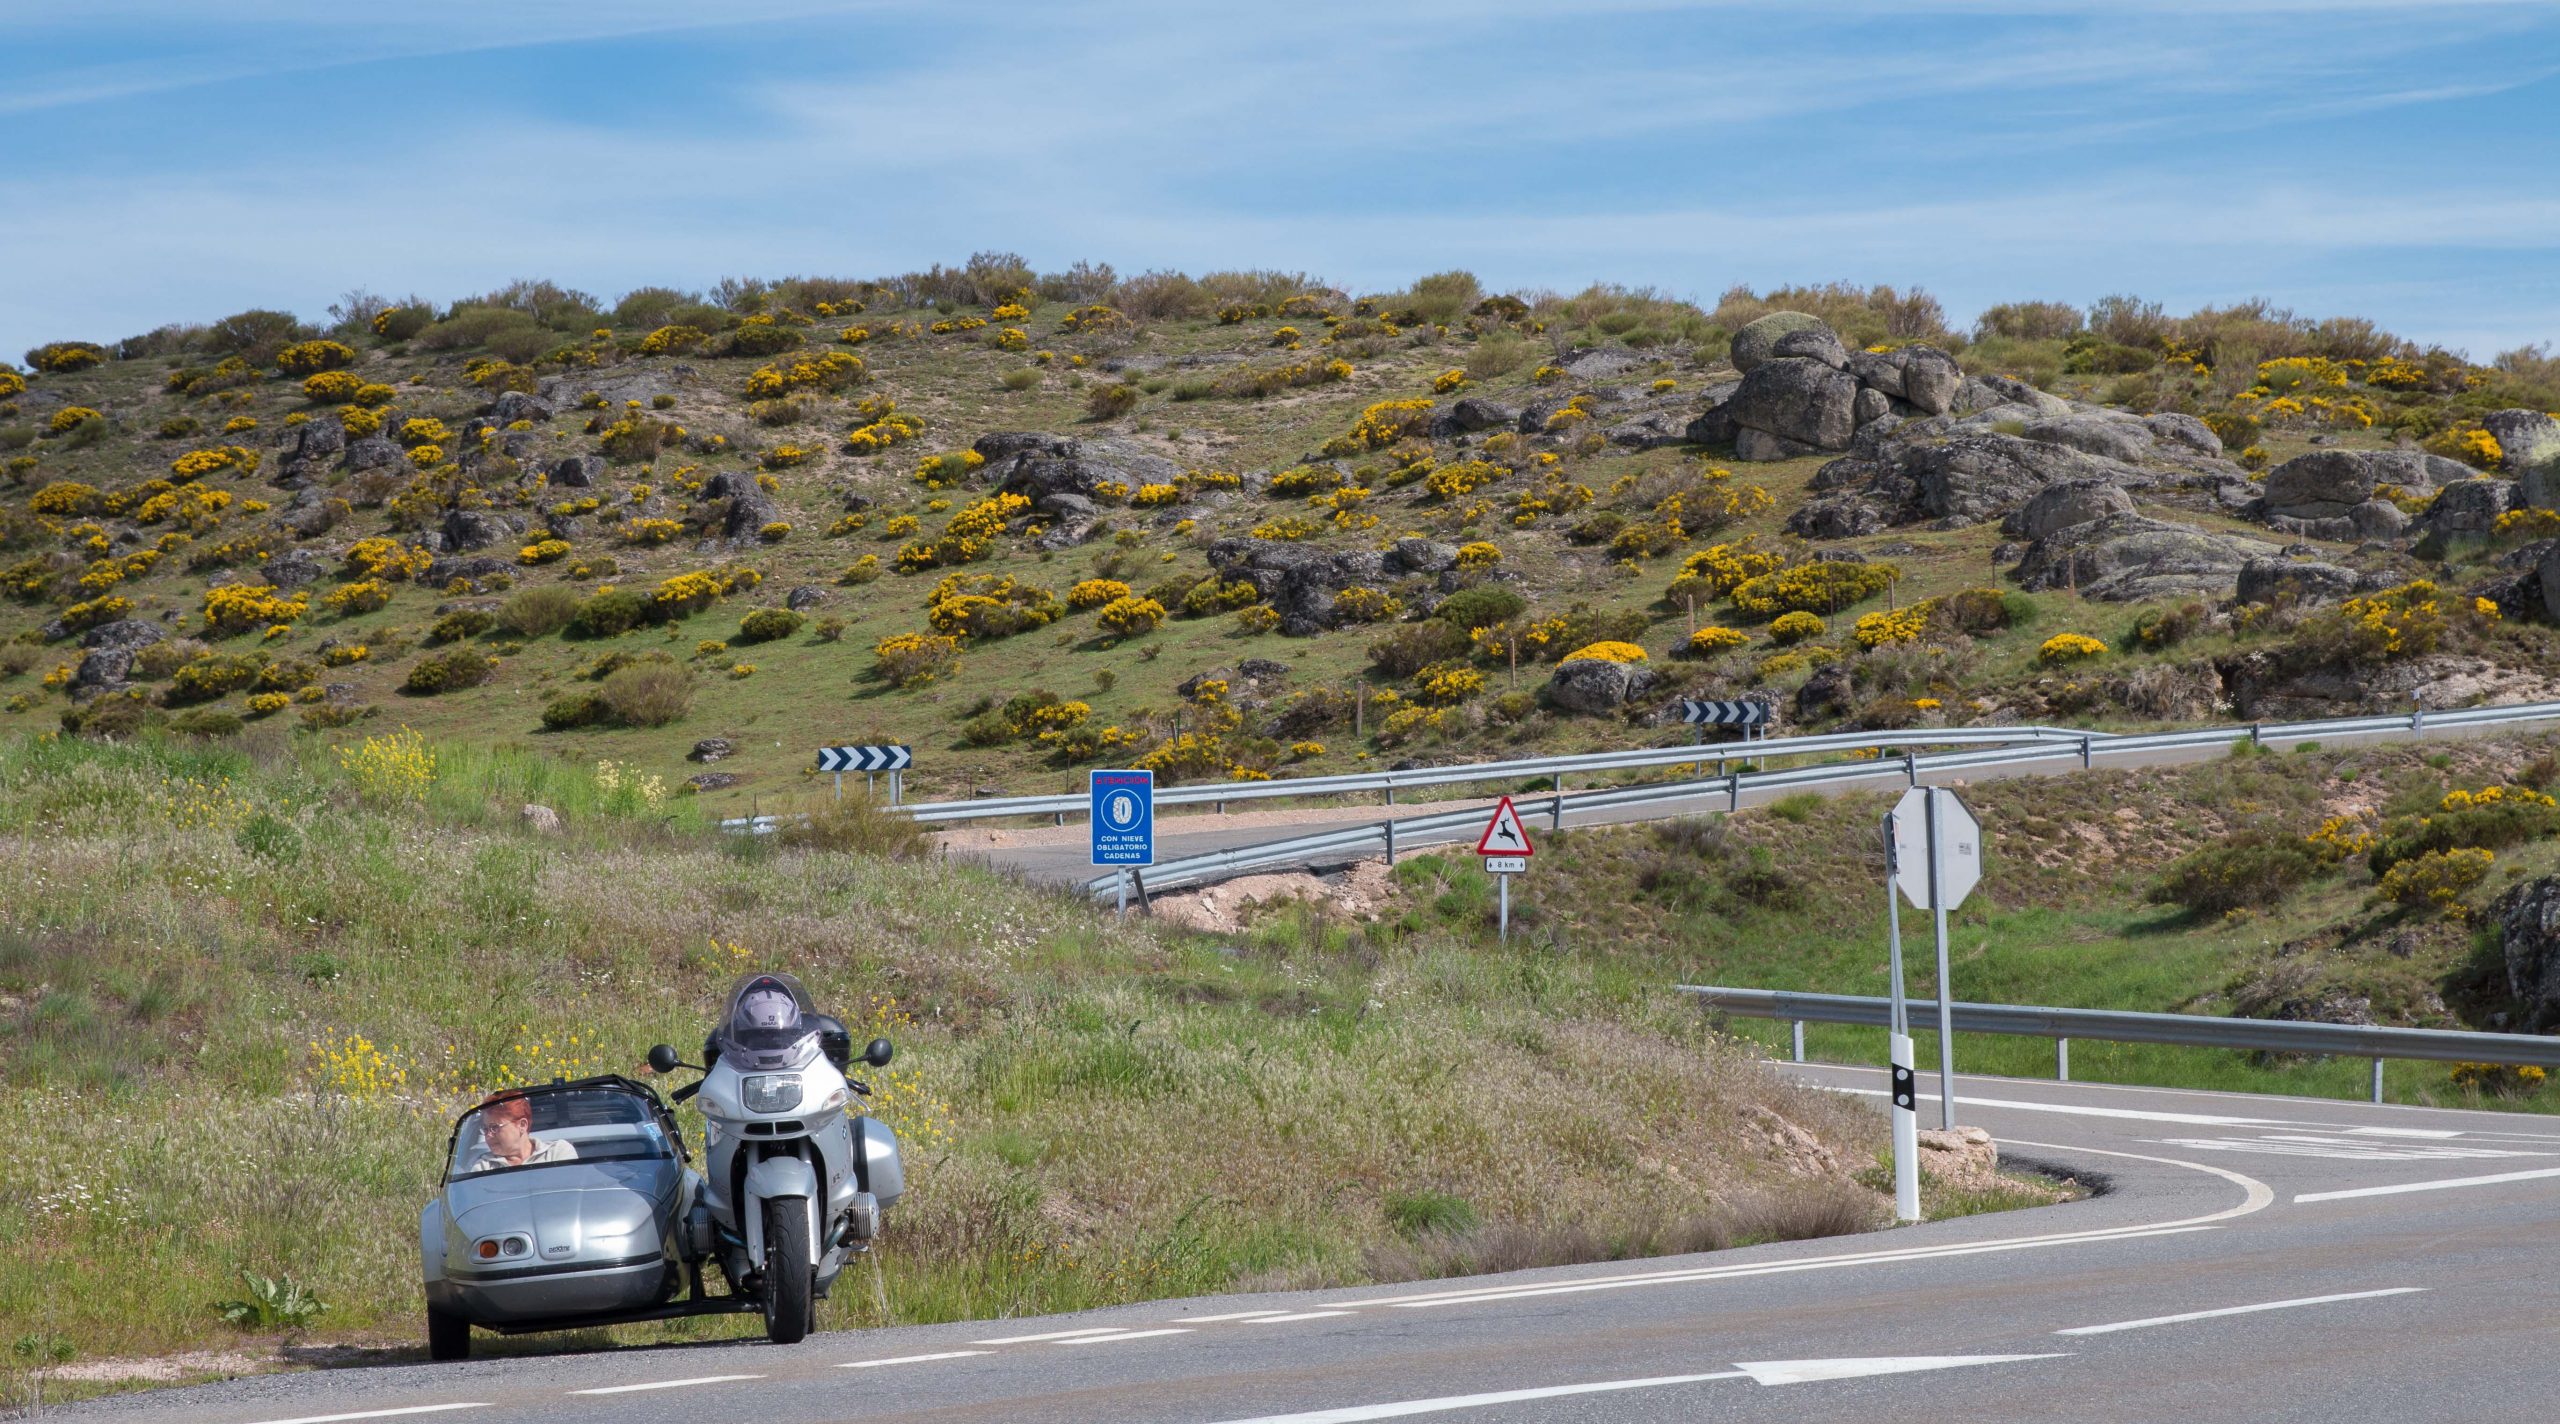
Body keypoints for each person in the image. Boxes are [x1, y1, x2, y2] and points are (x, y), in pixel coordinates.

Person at [466, 1092, 578, 1172]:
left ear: (522, 1125)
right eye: (485, 1129)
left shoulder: (557, 1152)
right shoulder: (484, 1167)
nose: (488, 1135)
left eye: (495, 1127)